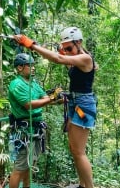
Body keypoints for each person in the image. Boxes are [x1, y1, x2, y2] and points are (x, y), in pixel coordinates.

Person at [13, 27, 97, 188]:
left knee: (79, 152)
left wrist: (31, 44)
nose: (67, 51)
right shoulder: (75, 59)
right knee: (74, 149)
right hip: (75, 103)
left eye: (69, 48)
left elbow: (57, 59)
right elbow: (62, 59)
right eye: (64, 48)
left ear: (79, 42)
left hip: (83, 105)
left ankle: (90, 186)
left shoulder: (85, 58)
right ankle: (82, 185)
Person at [8, 53, 61, 188]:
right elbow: (29, 104)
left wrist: (58, 99)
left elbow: (44, 98)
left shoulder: (34, 84)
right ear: (20, 68)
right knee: (20, 167)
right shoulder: (16, 84)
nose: (33, 68)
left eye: (33, 66)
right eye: (29, 66)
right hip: (23, 130)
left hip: (36, 129)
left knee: (29, 165)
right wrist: (50, 98)